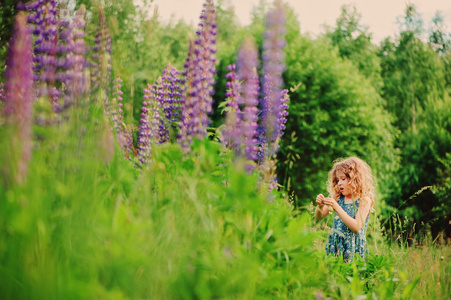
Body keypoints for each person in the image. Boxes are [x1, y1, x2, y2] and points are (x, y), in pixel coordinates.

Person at [314, 157, 374, 262]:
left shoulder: (364, 200)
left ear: (355, 179)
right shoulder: (337, 198)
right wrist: (319, 206)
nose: (339, 183)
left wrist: (336, 207)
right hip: (335, 246)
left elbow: (356, 227)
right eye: (337, 180)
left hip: (353, 248)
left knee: (351, 276)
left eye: (343, 179)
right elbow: (319, 217)